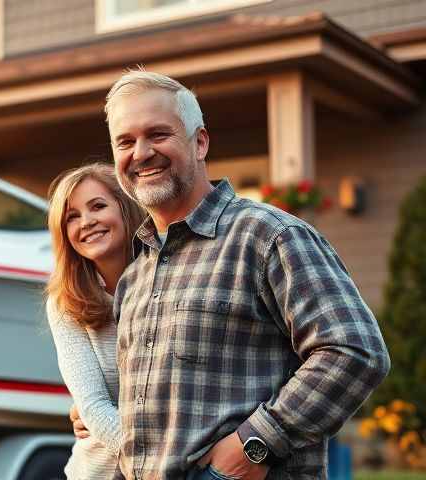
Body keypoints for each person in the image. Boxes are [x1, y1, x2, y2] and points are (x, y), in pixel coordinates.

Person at [98, 69, 390, 479]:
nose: (141, 152)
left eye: (158, 135)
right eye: (125, 141)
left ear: (199, 142)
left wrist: (257, 443)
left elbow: (355, 351)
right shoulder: (136, 273)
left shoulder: (269, 236)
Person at [45, 163, 145, 479]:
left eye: (98, 206)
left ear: (125, 208)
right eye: (71, 217)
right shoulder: (64, 302)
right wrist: (154, 465)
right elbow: (93, 408)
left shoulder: (165, 280)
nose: (86, 223)